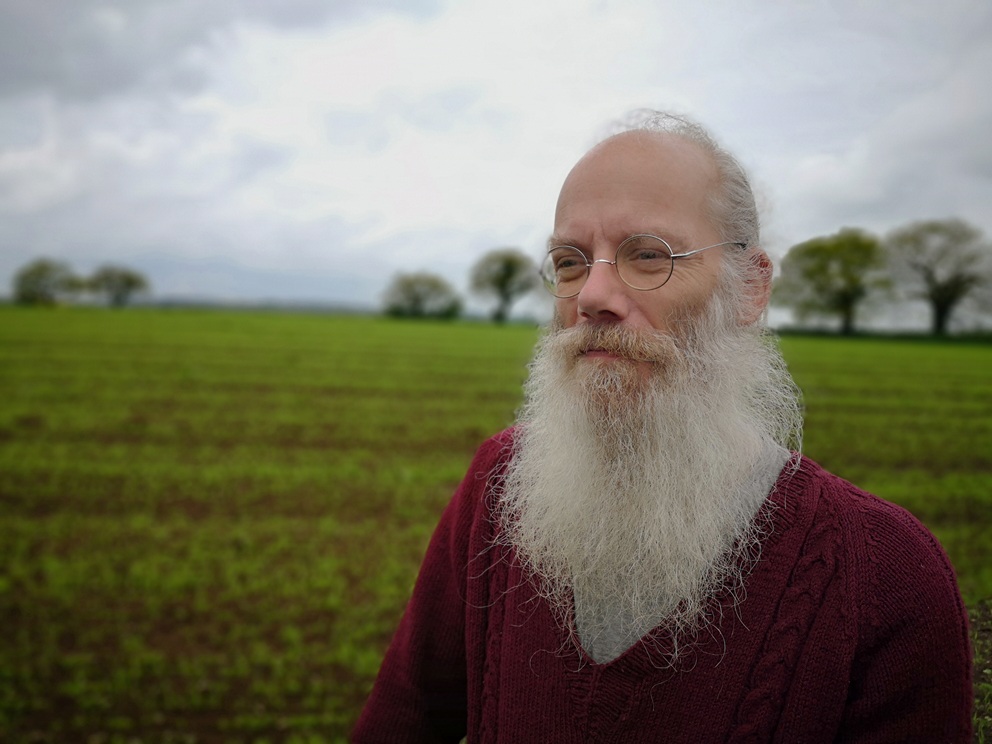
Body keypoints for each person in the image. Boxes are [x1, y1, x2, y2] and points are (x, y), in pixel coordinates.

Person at [352, 110, 973, 742]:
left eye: (648, 256)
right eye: (569, 261)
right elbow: (403, 719)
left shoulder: (890, 572)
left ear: (750, 287)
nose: (591, 294)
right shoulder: (499, 483)